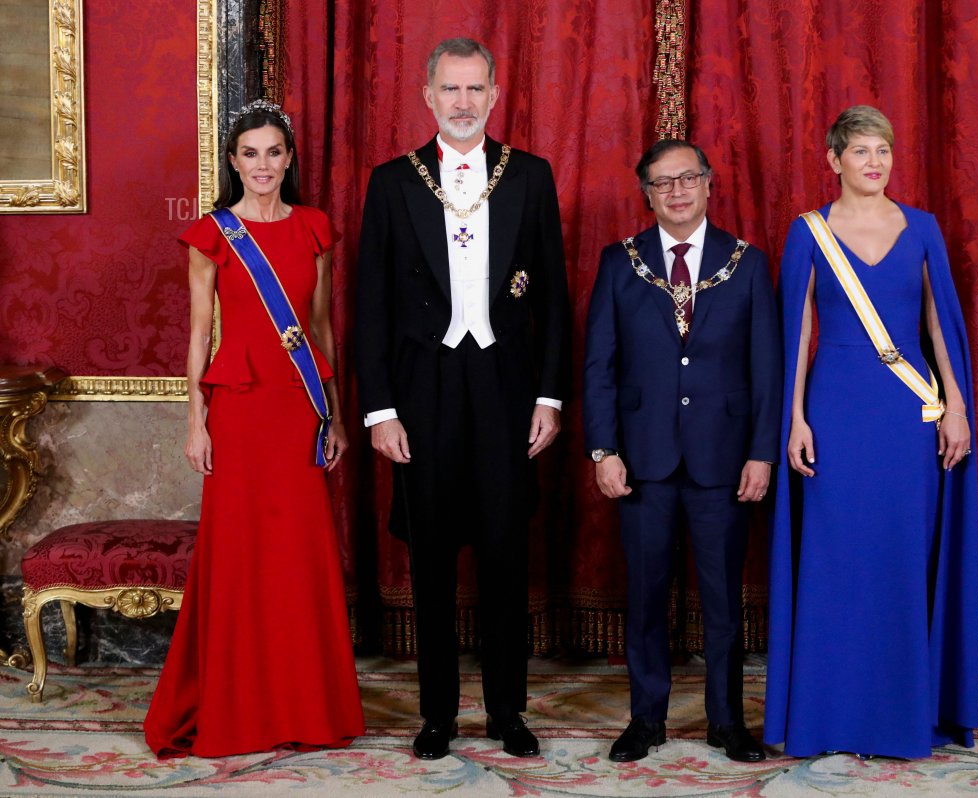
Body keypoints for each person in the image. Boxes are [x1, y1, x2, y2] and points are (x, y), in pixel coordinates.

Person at [354, 38, 570, 760]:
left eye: (476, 88)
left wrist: (549, 396)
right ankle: (438, 715)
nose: (463, 102)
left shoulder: (530, 175)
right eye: (451, 88)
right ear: (428, 95)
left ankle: (508, 710)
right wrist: (380, 409)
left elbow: (554, 298)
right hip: (424, 389)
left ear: (495, 94)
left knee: (506, 555)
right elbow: (372, 303)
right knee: (433, 561)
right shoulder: (393, 182)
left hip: (506, 385)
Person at [144, 100, 365, 756]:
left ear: (289, 158)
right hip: (239, 410)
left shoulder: (314, 228)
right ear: (233, 161)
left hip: (298, 408)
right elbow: (198, 336)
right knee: (242, 555)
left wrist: (335, 415)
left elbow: (322, 329)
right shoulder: (213, 235)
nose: (262, 165)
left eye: (273, 152)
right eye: (250, 154)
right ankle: (238, 706)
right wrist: (195, 422)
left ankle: (305, 707)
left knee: (298, 555)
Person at [764, 105, 978, 759]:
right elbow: (797, 330)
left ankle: (900, 717)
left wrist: (957, 407)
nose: (874, 162)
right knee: (836, 562)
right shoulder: (808, 231)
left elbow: (939, 322)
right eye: (860, 150)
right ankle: (828, 717)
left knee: (899, 558)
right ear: (834, 160)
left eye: (882, 149)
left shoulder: (922, 228)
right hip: (834, 410)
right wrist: (794, 419)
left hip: (907, 416)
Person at [582, 140, 781, 763]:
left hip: (723, 460)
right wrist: (603, 450)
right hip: (643, 460)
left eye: (688, 178)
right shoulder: (621, 262)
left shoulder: (746, 262)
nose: (677, 191)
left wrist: (762, 453)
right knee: (646, 598)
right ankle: (647, 721)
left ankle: (727, 722)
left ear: (709, 184)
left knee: (722, 602)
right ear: (647, 194)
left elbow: (767, 368)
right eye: (663, 183)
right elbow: (599, 365)